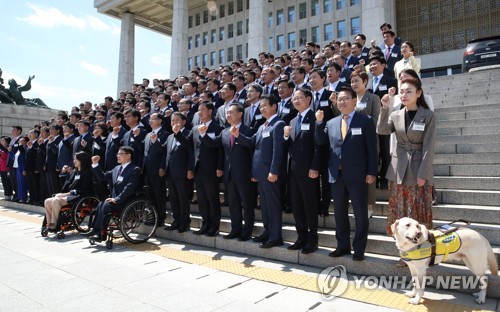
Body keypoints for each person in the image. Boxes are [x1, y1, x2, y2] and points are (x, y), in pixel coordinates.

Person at [315, 87, 378, 261]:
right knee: (340, 213)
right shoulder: (331, 122)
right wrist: (319, 123)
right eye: (339, 99)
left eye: (345, 99)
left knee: (360, 213)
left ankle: (359, 249)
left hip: (358, 174)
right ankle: (342, 246)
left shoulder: (365, 120)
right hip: (336, 174)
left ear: (354, 101)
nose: (342, 102)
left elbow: (372, 149)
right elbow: (321, 142)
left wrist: (372, 172)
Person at [377, 75, 436, 244]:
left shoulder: (428, 115)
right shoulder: (396, 114)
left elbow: (429, 146)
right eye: (401, 92)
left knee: (418, 211)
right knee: (400, 212)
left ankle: (421, 249)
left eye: (409, 91)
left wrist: (423, 173)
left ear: (419, 93)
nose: (404, 95)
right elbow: (382, 130)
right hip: (398, 168)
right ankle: (404, 249)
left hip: (418, 169)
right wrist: (384, 108)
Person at [232, 95, 286, 248]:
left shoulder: (278, 124)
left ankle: (276, 236)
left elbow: (278, 150)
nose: (261, 109)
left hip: (270, 174)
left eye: (264, 106)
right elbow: (251, 142)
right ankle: (267, 232)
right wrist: (237, 135)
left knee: (273, 205)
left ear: (274, 106)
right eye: (260, 106)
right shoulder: (263, 126)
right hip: (261, 174)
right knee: (265, 205)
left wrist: (274, 171)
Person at [200, 103, 255, 241]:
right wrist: (203, 134)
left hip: (244, 174)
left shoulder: (249, 130)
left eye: (231, 112)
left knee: (247, 204)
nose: (228, 115)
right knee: (233, 203)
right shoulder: (224, 131)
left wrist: (238, 136)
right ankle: (235, 229)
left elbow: (251, 146)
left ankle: (247, 231)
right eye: (227, 113)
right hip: (229, 174)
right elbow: (213, 143)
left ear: (240, 114)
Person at [284, 88, 320, 254]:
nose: (296, 101)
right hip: (293, 171)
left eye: (299, 98)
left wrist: (315, 166)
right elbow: (289, 147)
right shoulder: (292, 121)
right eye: (294, 98)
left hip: (308, 171)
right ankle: (301, 237)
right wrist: (285, 137)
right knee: (297, 206)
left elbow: (318, 146)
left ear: (308, 99)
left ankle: (312, 240)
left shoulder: (315, 118)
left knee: (309, 206)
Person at [82, 146, 140, 241]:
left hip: (125, 200)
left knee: (106, 205)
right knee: (101, 204)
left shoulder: (134, 169)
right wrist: (95, 164)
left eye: (120, 154)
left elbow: (129, 188)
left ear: (128, 156)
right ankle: (97, 231)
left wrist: (117, 199)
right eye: (117, 154)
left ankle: (99, 232)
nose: (118, 156)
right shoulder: (116, 168)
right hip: (114, 199)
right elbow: (102, 177)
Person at [350, 71, 381, 218]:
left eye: (357, 81)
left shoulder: (373, 98)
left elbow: (377, 121)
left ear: (365, 82)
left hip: (369, 140)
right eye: (352, 82)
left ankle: (369, 206)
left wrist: (362, 117)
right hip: (354, 142)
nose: (354, 84)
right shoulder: (350, 99)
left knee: (370, 174)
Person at [161, 112, 194, 233]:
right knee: (174, 198)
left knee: (183, 198)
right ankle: (176, 220)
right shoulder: (170, 137)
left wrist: (190, 169)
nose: (174, 122)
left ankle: (185, 222)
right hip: (171, 173)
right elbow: (165, 152)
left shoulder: (188, 133)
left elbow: (189, 151)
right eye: (172, 120)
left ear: (184, 121)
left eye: (177, 120)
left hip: (183, 173)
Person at [43, 152, 93, 232]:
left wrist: (66, 194)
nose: (74, 161)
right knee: (47, 201)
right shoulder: (74, 172)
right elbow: (67, 186)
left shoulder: (87, 173)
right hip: (70, 195)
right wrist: (65, 173)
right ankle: (49, 224)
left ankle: (54, 225)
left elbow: (84, 189)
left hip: (80, 196)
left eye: (76, 159)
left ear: (82, 160)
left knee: (56, 200)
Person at [0, 136, 13, 200]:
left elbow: (6, 155)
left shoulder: (8, 148)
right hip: (1, 167)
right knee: (4, 182)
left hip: (6, 167)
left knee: (8, 182)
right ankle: (6, 194)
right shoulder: (2, 149)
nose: (1, 141)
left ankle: (9, 194)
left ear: (7, 142)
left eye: (3, 140)